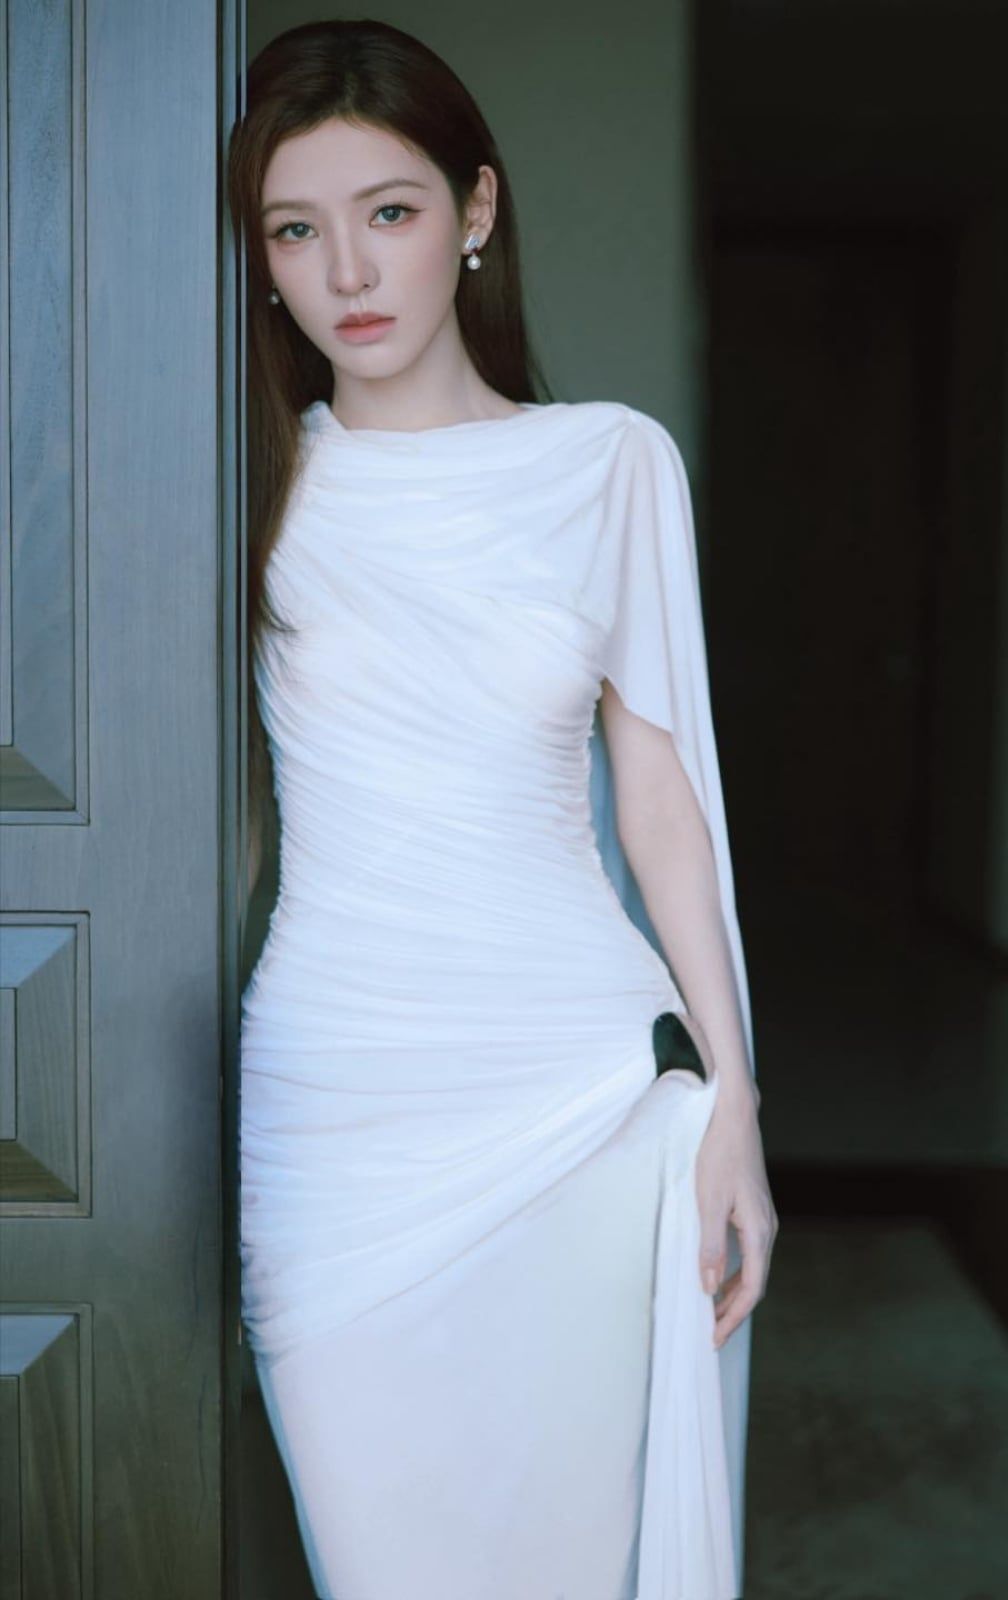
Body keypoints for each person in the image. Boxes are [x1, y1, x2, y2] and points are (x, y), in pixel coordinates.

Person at [228, 19, 777, 1599]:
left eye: (389, 211)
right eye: (295, 229)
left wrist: (734, 1100)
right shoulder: (244, 488)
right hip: (338, 1109)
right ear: (259, 261)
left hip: (576, 1096)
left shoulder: (610, 467)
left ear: (474, 211)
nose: (348, 270)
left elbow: (661, 804)